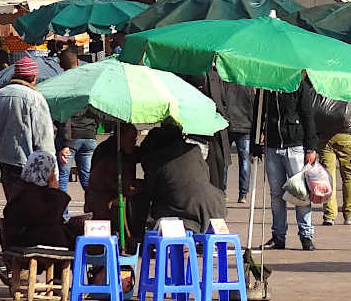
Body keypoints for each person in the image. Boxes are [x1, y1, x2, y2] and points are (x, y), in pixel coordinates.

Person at [0, 57, 55, 199]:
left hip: (7, 164)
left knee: (14, 209)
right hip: (33, 166)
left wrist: (0, 150)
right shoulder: (35, 98)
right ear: (33, 77)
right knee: (33, 210)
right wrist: (52, 171)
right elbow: (44, 139)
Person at [131, 120, 227, 235]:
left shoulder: (156, 160)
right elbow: (205, 175)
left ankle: (142, 241)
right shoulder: (194, 150)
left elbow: (151, 191)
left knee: (154, 206)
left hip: (188, 209)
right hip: (216, 204)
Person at [256, 81, 318, 251]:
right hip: (272, 144)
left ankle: (306, 234)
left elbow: (308, 116)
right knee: (276, 193)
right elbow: (258, 113)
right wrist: (255, 144)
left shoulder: (299, 85)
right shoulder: (266, 87)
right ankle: (278, 236)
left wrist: (311, 146)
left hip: (295, 145)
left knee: (301, 192)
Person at [2, 149, 83, 250]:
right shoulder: (39, 195)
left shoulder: (19, 190)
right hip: (35, 243)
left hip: (19, 243)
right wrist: (54, 189)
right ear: (46, 172)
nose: (53, 175)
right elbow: (51, 218)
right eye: (52, 171)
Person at [53, 50, 97, 192]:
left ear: (60, 65)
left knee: (63, 178)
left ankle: (62, 213)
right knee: (87, 178)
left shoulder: (62, 85)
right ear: (78, 62)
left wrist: (65, 143)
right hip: (89, 136)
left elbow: (65, 115)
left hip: (70, 138)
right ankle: (95, 209)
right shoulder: (87, 83)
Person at [314, 94, 351, 226]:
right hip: (344, 134)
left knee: (327, 176)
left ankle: (329, 215)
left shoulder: (323, 81)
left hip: (324, 135)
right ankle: (350, 214)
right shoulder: (348, 83)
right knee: (349, 175)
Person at [211, 74, 256, 203]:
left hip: (228, 125)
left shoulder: (224, 83)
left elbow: (220, 102)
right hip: (245, 126)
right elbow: (253, 106)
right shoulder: (248, 84)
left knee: (224, 160)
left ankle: (222, 191)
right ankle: (243, 194)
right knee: (245, 161)